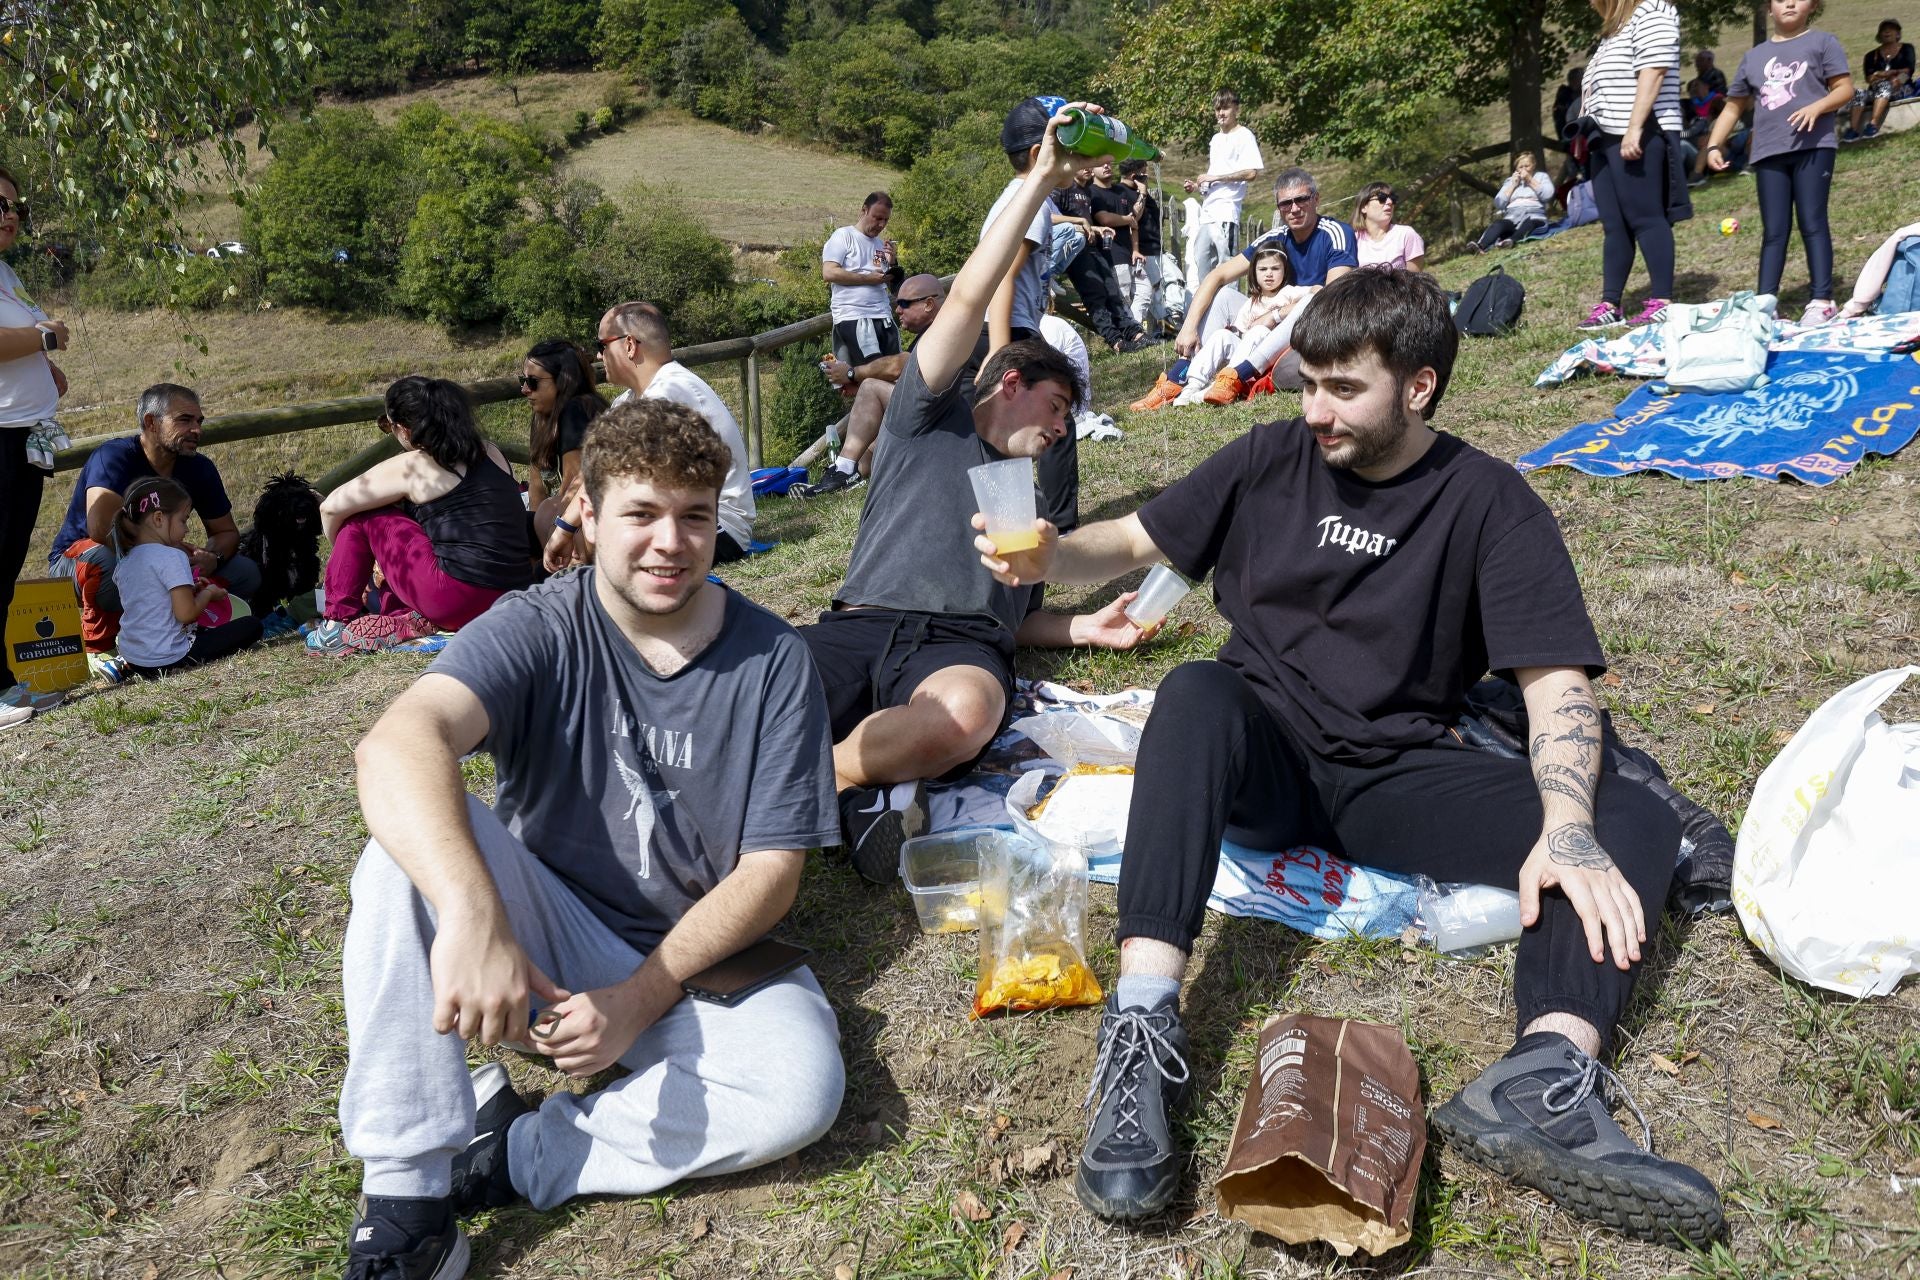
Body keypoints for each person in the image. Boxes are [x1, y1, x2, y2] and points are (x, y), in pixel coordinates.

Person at [974, 268, 1726, 1247]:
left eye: (1342, 388)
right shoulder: (1266, 458)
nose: (1315, 409)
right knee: (1196, 692)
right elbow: (1133, 537)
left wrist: (1570, 829)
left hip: (1391, 777)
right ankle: (1143, 1030)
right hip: (1262, 757)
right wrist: (1051, 556)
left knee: (1630, 814)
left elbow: (1556, 686)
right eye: (1308, 382)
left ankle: (1543, 1079)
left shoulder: (1488, 503)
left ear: (1419, 387)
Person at [334, 396, 845, 1278]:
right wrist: (474, 915)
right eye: (642, 513)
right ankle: (408, 1201)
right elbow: (396, 744)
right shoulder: (540, 622)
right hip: (538, 944)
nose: (670, 543)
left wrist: (641, 996)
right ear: (589, 513)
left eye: (695, 516)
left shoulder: (773, 660)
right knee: (399, 855)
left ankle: (511, 1153)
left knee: (800, 1090)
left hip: (694, 958)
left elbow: (771, 871)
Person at [797, 99, 1131, 882]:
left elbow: (1016, 616)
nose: (1060, 430)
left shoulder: (1027, 502)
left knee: (966, 716)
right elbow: (972, 294)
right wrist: (1041, 180)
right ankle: (857, 794)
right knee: (748, 691)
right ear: (1011, 383)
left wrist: (1086, 629)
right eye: (1057, 409)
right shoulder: (926, 416)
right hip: (863, 622)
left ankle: (823, 785)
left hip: (958, 647)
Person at [308, 377, 533, 655]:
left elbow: (330, 508)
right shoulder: (491, 452)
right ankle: (405, 613)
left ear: (404, 428)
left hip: (458, 599)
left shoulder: (416, 464)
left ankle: (335, 623)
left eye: (388, 426)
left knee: (362, 517)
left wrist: (351, 560)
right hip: (514, 594)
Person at [48, 383, 262, 652]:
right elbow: (102, 529)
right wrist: (170, 557)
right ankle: (105, 647)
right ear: (151, 422)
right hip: (81, 561)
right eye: (184, 420)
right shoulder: (114, 456)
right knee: (111, 564)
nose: (196, 429)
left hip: (160, 558)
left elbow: (226, 532)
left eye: (199, 421)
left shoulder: (199, 467)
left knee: (245, 573)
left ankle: (186, 625)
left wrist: (211, 558)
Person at [1704, 0, 1852, 326]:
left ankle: (1822, 301)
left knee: (1812, 222)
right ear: (1769, 9)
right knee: (1774, 230)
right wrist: (1714, 144)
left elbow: (1844, 89)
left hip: (1813, 147)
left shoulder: (1823, 42)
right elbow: (1733, 107)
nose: (1789, 2)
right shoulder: (1753, 57)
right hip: (1769, 153)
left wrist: (1817, 107)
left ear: (1813, 6)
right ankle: (1765, 304)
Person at [1172, 168, 1355, 402]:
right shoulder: (1275, 237)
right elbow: (1217, 275)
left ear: (1316, 199)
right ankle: (1183, 375)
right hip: (1266, 330)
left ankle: (1239, 374)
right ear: (1278, 207)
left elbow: (1330, 297)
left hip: (1310, 331)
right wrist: (1188, 327)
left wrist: (1275, 315)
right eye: (1286, 203)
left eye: (1301, 199)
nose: (1294, 208)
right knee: (1224, 296)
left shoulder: (1335, 232)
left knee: (1312, 299)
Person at [597, 302, 757, 562]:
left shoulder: (671, 391)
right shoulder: (626, 401)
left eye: (602, 345)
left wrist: (566, 526)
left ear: (629, 345)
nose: (598, 356)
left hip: (719, 527)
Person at [0, 165, 73, 722]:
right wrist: (44, 336)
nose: (9, 215)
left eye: (14, 207)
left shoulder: (5, 271)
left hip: (24, 436)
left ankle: (4, 687)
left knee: (6, 560)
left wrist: (44, 369)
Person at [1576, 0, 1691, 330]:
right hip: (1606, 135)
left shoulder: (1653, 10)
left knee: (1646, 217)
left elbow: (1654, 72)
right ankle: (1610, 304)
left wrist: (1635, 128)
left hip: (1640, 129)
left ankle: (1663, 302)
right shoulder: (1614, 30)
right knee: (1614, 224)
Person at [802, 274, 949, 497]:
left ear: (929, 304)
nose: (897, 310)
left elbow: (899, 365)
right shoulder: (940, 328)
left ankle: (844, 468)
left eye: (904, 304)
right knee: (881, 431)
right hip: (942, 411)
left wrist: (852, 374)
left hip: (945, 416)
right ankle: (845, 479)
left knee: (871, 387)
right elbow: (912, 377)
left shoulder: (942, 329)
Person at [111, 476, 264, 680]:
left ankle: (122, 665)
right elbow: (186, 614)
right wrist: (208, 594)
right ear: (159, 519)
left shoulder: (124, 562)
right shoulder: (172, 556)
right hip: (169, 659)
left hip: (136, 659)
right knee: (252, 625)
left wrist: (191, 591)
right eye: (183, 520)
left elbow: (153, 603)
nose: (187, 529)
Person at [1131, 246, 1311, 411]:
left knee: (1259, 331)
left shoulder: (1289, 292)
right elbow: (1239, 332)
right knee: (1222, 335)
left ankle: (1225, 384)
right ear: (1254, 273)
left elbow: (1315, 293)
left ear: (1285, 271)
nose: (1269, 274)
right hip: (1246, 353)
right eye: (1262, 269)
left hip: (1270, 356)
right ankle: (1192, 385)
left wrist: (1278, 314)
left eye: (1275, 269)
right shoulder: (1251, 303)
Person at [522, 339, 608, 572]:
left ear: (563, 381)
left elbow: (573, 488)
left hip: (590, 526)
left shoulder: (577, 410)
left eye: (533, 382)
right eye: (523, 381)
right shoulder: (543, 418)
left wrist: (555, 535)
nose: (525, 389)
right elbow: (536, 489)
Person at [1054, 164, 1151, 353]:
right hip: (1075, 251)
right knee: (1095, 294)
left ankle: (1134, 334)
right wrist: (1080, 222)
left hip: (1094, 247)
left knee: (1112, 290)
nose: (1088, 168)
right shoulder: (1062, 188)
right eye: (1083, 164)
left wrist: (1096, 229)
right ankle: (1116, 342)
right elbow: (1050, 217)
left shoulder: (1087, 191)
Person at [1183, 89, 1265, 286]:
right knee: (1202, 264)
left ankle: (1228, 304)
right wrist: (1198, 186)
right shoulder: (1215, 139)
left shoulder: (1244, 135)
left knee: (1226, 266)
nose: (1221, 113)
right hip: (1207, 212)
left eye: (1225, 108)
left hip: (1226, 211)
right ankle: (1207, 303)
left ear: (1236, 109)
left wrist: (1216, 178)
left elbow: (1251, 173)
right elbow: (1215, 178)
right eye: (1217, 109)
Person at [822, 193, 902, 368]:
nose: (881, 224)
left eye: (886, 220)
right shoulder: (843, 236)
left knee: (896, 371)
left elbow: (891, 285)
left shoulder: (880, 245)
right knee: (874, 370)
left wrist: (893, 264)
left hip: (884, 316)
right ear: (864, 210)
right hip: (855, 316)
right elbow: (829, 273)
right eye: (877, 218)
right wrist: (868, 279)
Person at [1117, 158, 1174, 333]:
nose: (1147, 177)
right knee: (1147, 292)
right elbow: (1133, 219)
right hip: (1142, 250)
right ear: (1135, 176)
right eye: (1144, 173)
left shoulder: (1141, 193)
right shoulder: (1123, 192)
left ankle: (1161, 329)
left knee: (1158, 290)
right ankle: (1136, 332)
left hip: (1154, 248)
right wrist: (1142, 193)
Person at [1844, 20, 1914, 141]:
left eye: (1891, 29)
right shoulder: (1871, 55)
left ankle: (1873, 125)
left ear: (1898, 34)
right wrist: (1885, 74)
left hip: (1903, 88)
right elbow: (1869, 78)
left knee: (1885, 86)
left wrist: (1891, 77)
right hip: (1878, 90)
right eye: (1884, 30)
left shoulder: (1907, 48)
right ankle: (1853, 130)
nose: (1887, 32)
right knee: (1858, 93)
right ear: (1879, 34)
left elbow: (1908, 71)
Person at [1470, 155, 1557, 251]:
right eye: (1520, 167)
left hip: (1534, 215)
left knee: (1530, 223)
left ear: (1533, 165)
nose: (1524, 169)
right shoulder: (1510, 181)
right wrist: (1513, 185)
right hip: (1512, 217)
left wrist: (1529, 180)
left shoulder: (1541, 177)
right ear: (1516, 169)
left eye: (1527, 166)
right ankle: (1480, 246)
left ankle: (1511, 241)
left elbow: (1547, 195)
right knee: (1499, 224)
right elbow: (1499, 203)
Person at [1352, 182, 1426, 269]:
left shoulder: (1406, 235)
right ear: (1364, 207)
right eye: (1382, 198)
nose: (1390, 202)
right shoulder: (1352, 239)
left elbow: (1414, 276)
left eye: (1393, 198)